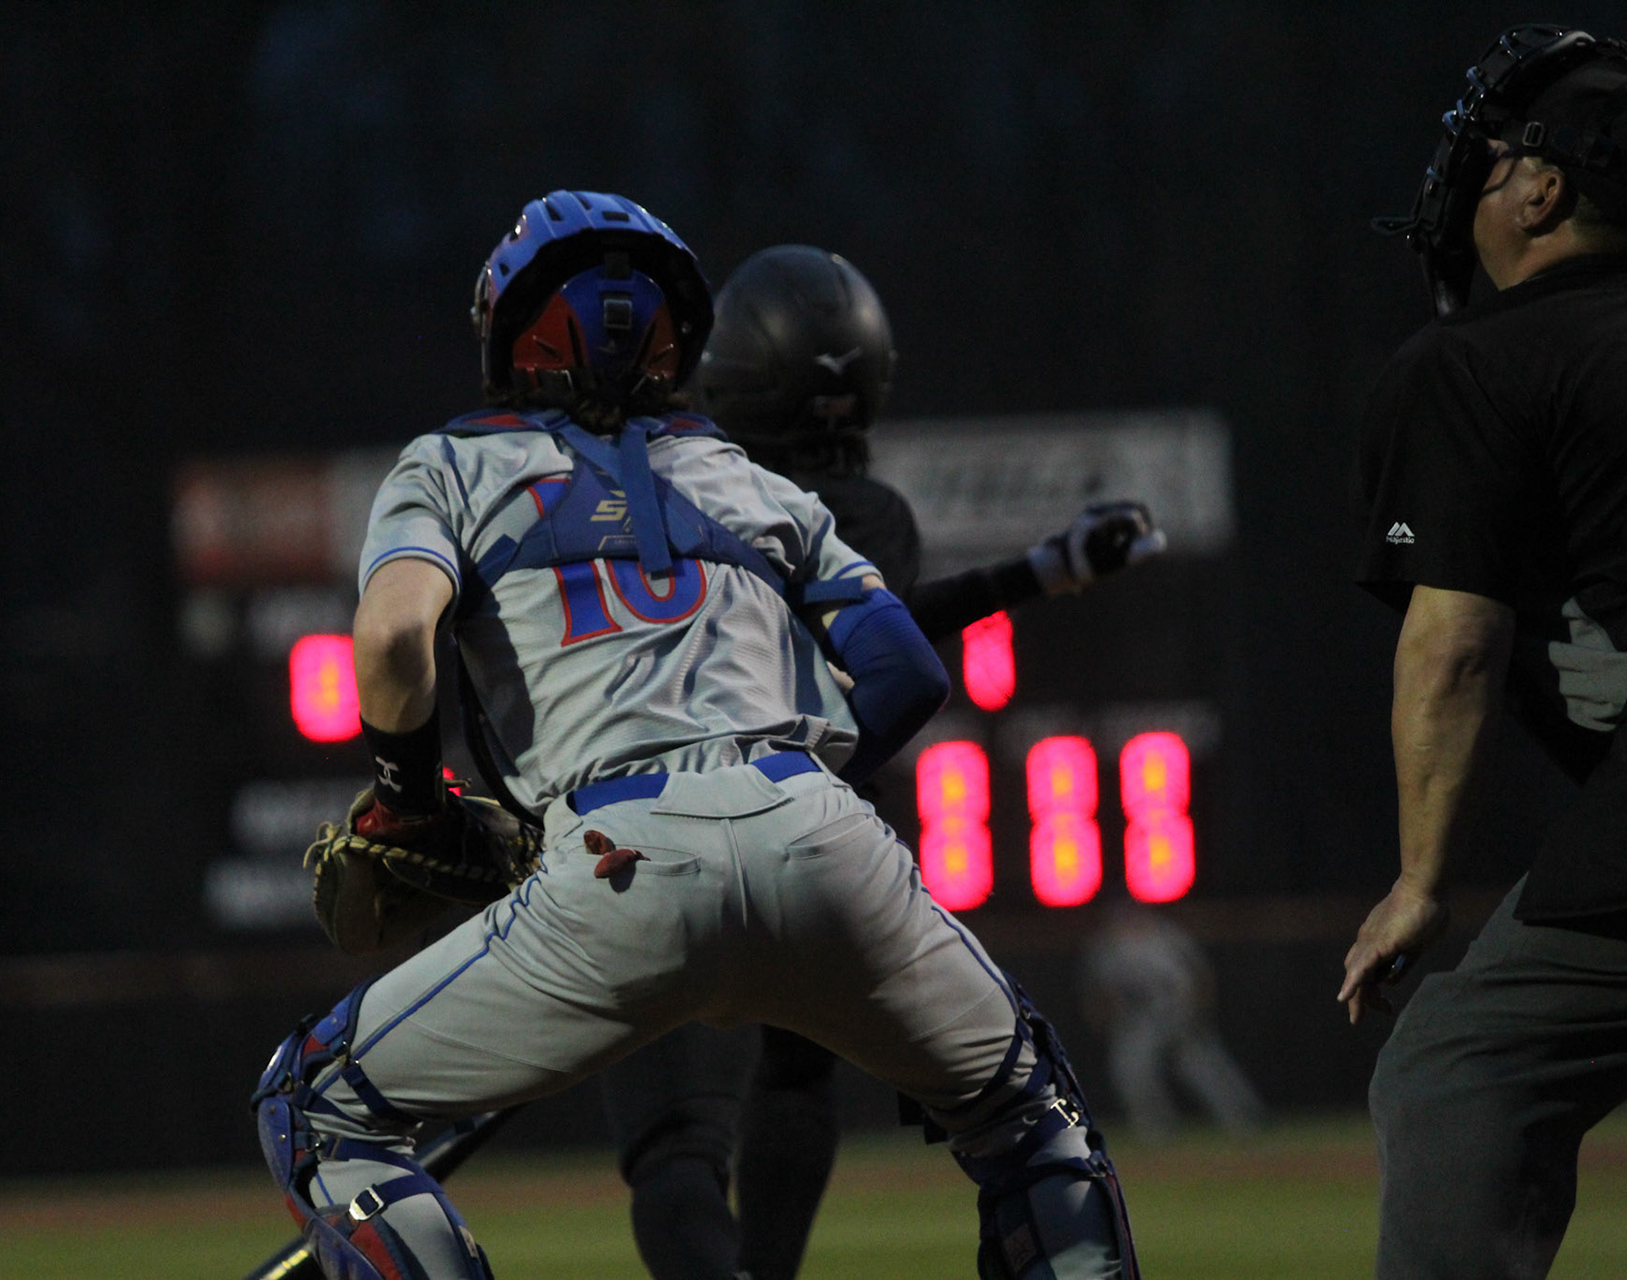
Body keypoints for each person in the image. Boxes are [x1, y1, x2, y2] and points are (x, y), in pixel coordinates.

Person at [251, 190, 1141, 1280]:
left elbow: (393, 639)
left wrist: (408, 800)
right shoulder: (749, 478)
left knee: (315, 1101)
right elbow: (909, 671)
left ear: (506, 328)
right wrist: (791, 795)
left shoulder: (449, 464)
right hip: (825, 839)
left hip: (615, 862)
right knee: (1034, 1118)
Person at [598, 244, 1163, 1280]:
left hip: (656, 842)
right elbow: (891, 636)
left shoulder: (653, 495)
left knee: (676, 1151)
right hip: (811, 852)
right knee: (818, 1080)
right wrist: (1041, 570)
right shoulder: (863, 516)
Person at [1342, 25, 1627, 1279]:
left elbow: (1454, 642)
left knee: (1460, 1066)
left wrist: (1420, 879)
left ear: (1542, 190)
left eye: (1495, 159)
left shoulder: (1478, 362)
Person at [1077, 901, 1262, 1144]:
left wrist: (1198, 1011)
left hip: (1177, 1010)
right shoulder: (1106, 947)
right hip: (1140, 1018)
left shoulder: (1165, 935)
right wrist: (1104, 1015)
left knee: (1202, 1069)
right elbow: (1103, 993)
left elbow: (1198, 975)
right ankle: (1156, 1131)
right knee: (1133, 1071)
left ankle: (1243, 1121)